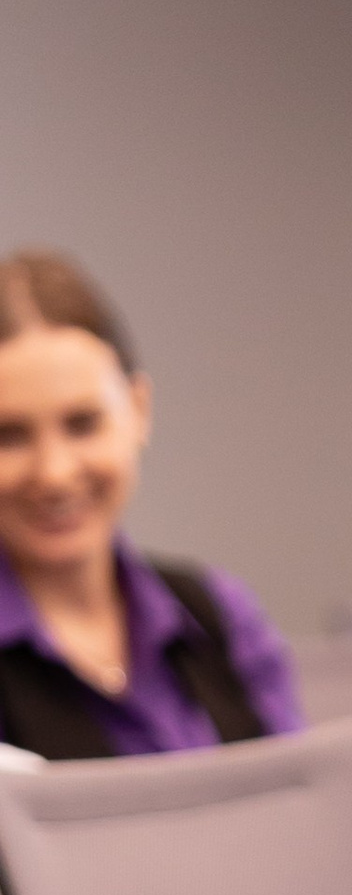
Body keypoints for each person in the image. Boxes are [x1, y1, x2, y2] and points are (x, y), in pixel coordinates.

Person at [0, 251, 300, 757]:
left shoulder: (219, 616)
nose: (53, 473)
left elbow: (304, 797)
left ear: (139, 411)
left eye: (82, 424)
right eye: (9, 435)